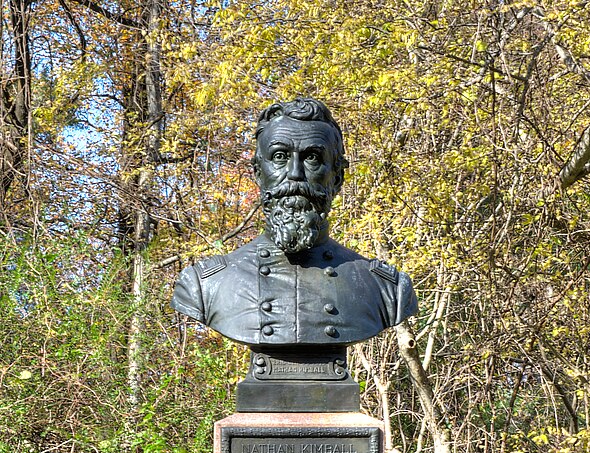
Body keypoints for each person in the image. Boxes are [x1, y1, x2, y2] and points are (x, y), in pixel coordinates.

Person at [171, 97, 417, 348]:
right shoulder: (204, 285)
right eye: (279, 156)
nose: (295, 173)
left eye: (312, 158)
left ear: (338, 176)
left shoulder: (386, 289)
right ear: (258, 173)